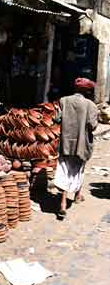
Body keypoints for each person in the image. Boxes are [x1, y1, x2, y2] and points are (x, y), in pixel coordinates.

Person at [54, 77, 98, 219]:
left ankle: (76, 196)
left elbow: (57, 119)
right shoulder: (91, 105)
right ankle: (64, 203)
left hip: (66, 143)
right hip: (81, 144)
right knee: (79, 169)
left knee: (65, 170)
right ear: (88, 91)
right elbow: (93, 126)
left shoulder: (63, 101)